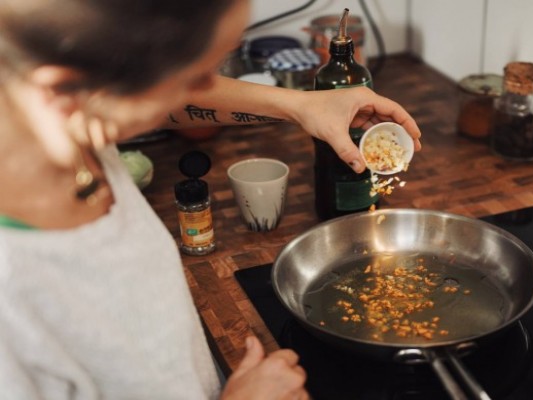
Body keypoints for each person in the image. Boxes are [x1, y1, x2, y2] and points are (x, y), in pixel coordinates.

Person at [0, 0, 422, 399]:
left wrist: (302, 105)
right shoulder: (13, 291)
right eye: (195, 75)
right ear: (62, 91)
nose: (204, 90)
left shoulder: (66, 128)